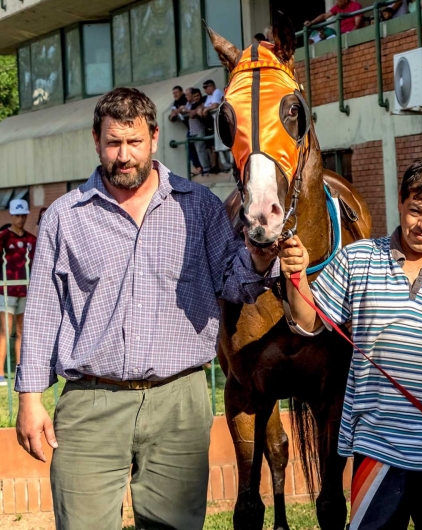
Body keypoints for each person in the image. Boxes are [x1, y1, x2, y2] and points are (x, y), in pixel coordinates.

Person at [14, 87, 278, 530]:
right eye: (113, 142)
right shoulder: (65, 216)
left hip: (179, 401)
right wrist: (29, 398)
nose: (123, 155)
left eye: (133, 142)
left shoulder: (200, 209)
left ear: (154, 138)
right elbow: (42, 311)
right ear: (95, 141)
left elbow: (234, 285)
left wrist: (261, 259)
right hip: (90, 403)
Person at [279, 159, 422, 529]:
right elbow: (308, 322)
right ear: (400, 204)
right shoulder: (358, 260)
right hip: (377, 448)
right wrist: (296, 276)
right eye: (415, 210)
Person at [0, 199, 36, 388]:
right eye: (17, 215)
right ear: (11, 216)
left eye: (23, 215)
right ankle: (0, 373)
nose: (20, 219)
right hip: (6, 291)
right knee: (6, 332)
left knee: (22, 333)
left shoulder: (31, 240)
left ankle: (20, 371)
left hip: (25, 290)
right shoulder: (4, 237)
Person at [187, 87, 211, 176]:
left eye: (198, 95)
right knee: (198, 150)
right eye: (195, 96)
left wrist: (199, 109)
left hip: (201, 129)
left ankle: (206, 168)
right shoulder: (193, 105)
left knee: (202, 149)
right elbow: (191, 115)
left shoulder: (205, 99)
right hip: (193, 131)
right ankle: (203, 168)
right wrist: (198, 109)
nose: (197, 97)